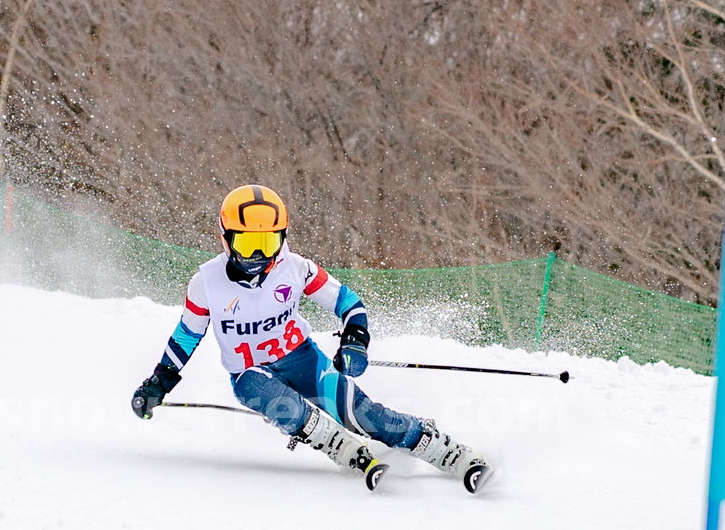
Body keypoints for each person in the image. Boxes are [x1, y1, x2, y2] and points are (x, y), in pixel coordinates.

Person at [131, 184, 493, 493]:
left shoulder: (296, 267)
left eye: (269, 241)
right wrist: (159, 382)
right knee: (268, 393)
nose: (259, 254)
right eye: (247, 242)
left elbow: (348, 304)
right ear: (225, 237)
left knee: (363, 415)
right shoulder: (206, 283)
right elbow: (186, 335)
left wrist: (355, 339)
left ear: (283, 238)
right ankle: (341, 447)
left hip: (303, 359)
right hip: (249, 372)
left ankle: (446, 449)